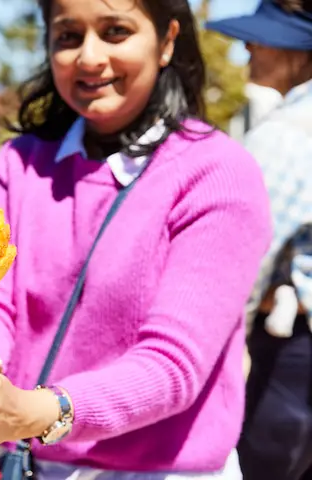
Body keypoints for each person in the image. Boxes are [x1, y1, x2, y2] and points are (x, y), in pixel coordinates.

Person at [0, 0, 272, 478]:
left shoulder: (216, 173)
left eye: (115, 31)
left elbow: (173, 364)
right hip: (34, 462)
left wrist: (38, 412)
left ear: (167, 40)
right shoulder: (19, 163)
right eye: (68, 36)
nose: (88, 57)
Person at [206, 1, 312, 479]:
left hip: (296, 360)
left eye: (263, 36)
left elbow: (241, 266)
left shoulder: (287, 134)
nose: (247, 46)